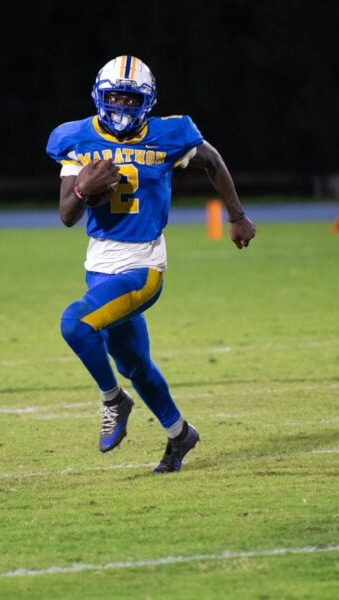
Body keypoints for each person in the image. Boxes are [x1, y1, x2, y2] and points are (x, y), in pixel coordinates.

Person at [46, 56, 256, 473]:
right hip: (99, 264)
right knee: (133, 363)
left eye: (130, 98)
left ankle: (113, 400)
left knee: (75, 324)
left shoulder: (170, 134)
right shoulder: (75, 138)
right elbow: (67, 215)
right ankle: (180, 434)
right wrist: (84, 191)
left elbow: (212, 161)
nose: (122, 106)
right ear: (99, 97)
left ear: (147, 101)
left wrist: (235, 215)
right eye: (114, 97)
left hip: (142, 267)